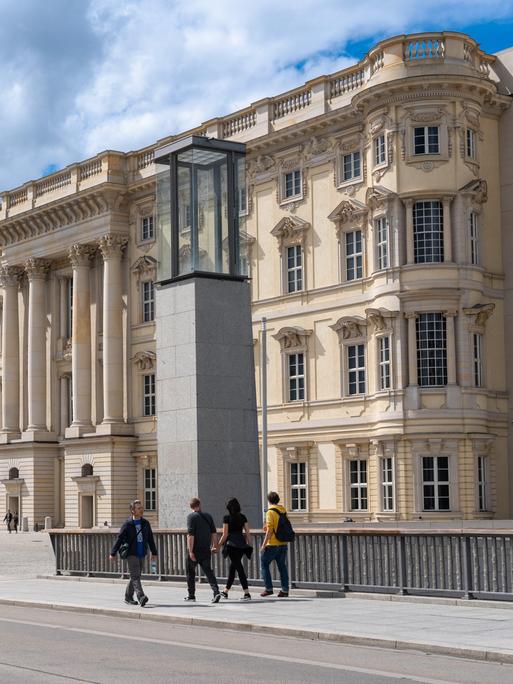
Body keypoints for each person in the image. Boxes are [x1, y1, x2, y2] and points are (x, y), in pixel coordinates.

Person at [109, 499, 157, 607]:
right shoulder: (127, 524)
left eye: (141, 507)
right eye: (138, 508)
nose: (141, 509)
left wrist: (154, 552)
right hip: (131, 553)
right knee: (135, 576)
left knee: (136, 576)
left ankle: (128, 597)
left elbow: (150, 538)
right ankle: (141, 597)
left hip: (142, 553)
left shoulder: (145, 523)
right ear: (132, 510)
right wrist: (113, 553)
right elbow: (120, 539)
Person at [185, 497, 221, 603]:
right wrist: (215, 546)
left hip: (195, 550)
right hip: (206, 549)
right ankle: (216, 592)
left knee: (190, 572)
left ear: (190, 506)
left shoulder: (191, 517)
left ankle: (191, 595)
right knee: (208, 572)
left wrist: (190, 551)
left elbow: (191, 535)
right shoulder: (208, 516)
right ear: (200, 505)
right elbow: (214, 533)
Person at [218, 498, 253, 600]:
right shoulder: (243, 517)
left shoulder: (226, 518)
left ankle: (247, 593)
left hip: (231, 545)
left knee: (239, 568)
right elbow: (247, 533)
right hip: (241, 545)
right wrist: (249, 545)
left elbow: (225, 535)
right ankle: (225, 591)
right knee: (233, 568)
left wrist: (218, 545)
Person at [260, 491, 290, 597]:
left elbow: (269, 530)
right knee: (282, 566)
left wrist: (263, 545)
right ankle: (285, 590)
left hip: (272, 543)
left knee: (264, 564)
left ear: (269, 500)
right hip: (283, 543)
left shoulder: (270, 512)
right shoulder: (283, 510)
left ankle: (268, 588)